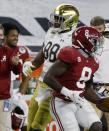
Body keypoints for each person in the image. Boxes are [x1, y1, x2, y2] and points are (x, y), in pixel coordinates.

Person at [22, 3, 80, 131]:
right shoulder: (51, 32)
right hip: (42, 83)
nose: (55, 21)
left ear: (69, 21)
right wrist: (32, 64)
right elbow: (44, 52)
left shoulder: (74, 40)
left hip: (55, 86)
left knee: (37, 127)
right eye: (55, 18)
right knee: (29, 123)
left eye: (59, 19)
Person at [43, 26, 103, 131]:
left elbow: (87, 90)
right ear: (84, 41)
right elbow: (48, 78)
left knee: (96, 126)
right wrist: (69, 93)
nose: (97, 45)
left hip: (80, 101)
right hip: (61, 102)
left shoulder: (94, 61)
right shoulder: (70, 53)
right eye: (94, 41)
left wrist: (100, 101)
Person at [0, 23, 23, 130]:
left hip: (5, 98)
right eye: (13, 35)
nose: (16, 38)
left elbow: (18, 71)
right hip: (8, 94)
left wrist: (16, 64)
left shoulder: (8, 51)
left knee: (6, 127)